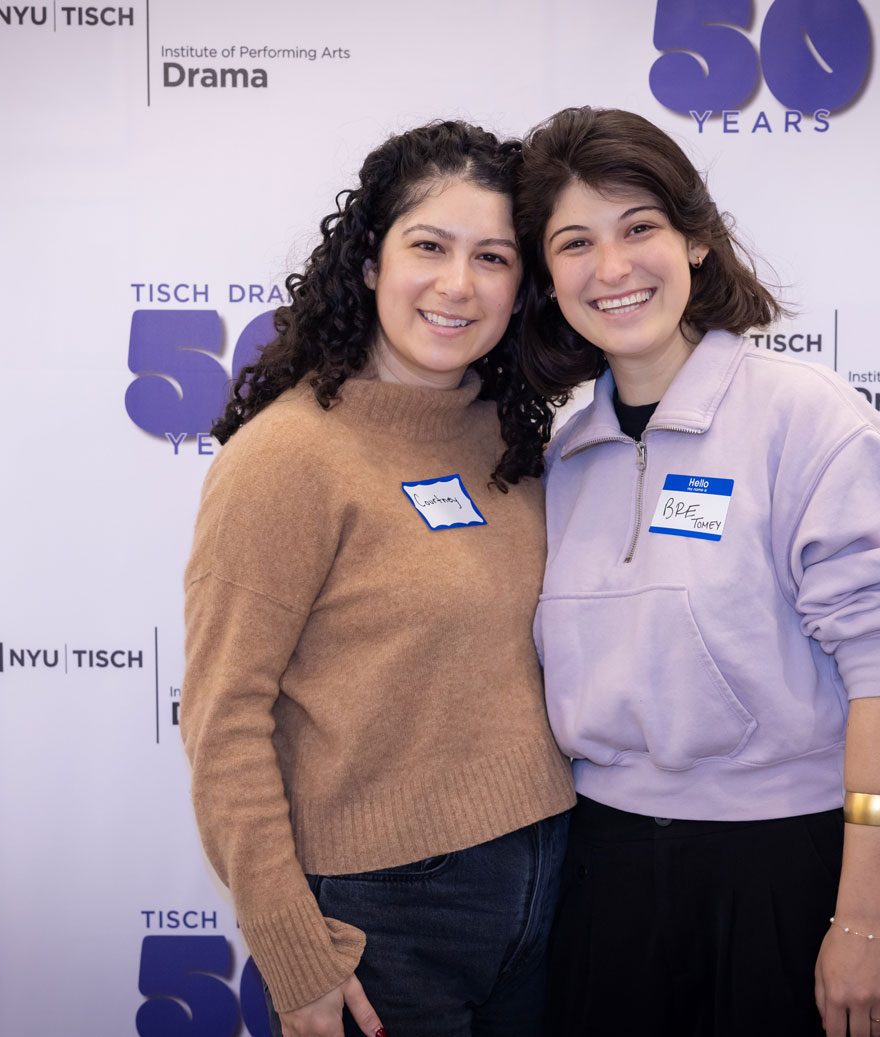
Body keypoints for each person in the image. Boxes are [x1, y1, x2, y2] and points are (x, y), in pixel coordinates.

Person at [514, 107, 880, 1037]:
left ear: (697, 239)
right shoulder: (562, 458)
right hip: (600, 876)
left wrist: (864, 920)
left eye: (639, 227)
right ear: (547, 278)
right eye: (575, 242)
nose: (612, 267)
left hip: (779, 871)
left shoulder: (805, 417)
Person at [181, 121, 575, 1037]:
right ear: (369, 263)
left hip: (551, 885)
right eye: (429, 246)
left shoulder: (511, 441)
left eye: (492, 257)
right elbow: (223, 721)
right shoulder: (287, 458)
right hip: (383, 917)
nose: (458, 283)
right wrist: (294, 955)